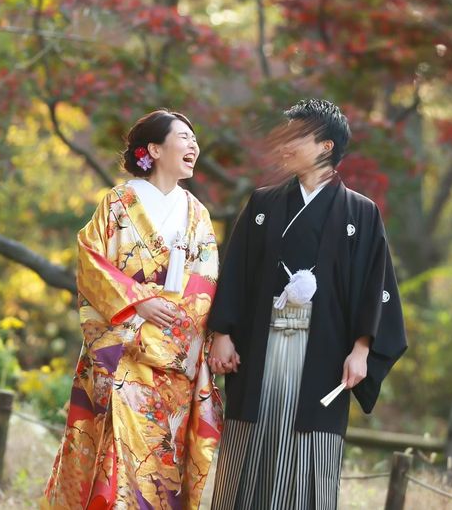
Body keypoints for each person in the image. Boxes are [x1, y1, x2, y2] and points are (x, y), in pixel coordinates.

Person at [207, 99, 407, 510]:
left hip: (323, 356)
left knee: (309, 462)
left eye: (296, 137)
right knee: (248, 452)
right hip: (260, 348)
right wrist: (222, 332)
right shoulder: (263, 204)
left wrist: (362, 349)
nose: (284, 145)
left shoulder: (361, 213)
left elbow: (375, 287)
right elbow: (236, 270)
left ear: (326, 146)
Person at [42, 109, 223, 510]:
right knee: (117, 454)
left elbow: (206, 281)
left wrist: (168, 326)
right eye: (184, 137)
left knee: (162, 463)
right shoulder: (118, 202)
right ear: (154, 149)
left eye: (195, 139)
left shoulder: (198, 214)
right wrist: (140, 303)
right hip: (122, 350)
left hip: (173, 357)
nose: (193, 145)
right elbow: (91, 261)